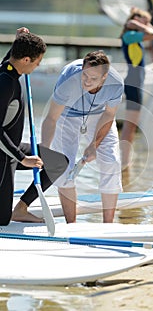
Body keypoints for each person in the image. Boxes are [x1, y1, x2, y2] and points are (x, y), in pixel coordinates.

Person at [41, 50, 124, 223]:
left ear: (104, 77)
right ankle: (71, 225)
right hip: (67, 115)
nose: (87, 81)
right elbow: (51, 118)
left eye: (93, 78)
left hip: (99, 115)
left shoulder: (116, 83)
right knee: (64, 167)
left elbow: (109, 115)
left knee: (112, 161)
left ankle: (107, 226)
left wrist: (94, 144)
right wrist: (45, 150)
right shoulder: (69, 78)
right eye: (84, 75)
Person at [0, 28, 69, 225]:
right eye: (38, 61)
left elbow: (9, 59)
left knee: (58, 162)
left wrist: (20, 40)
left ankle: (21, 209)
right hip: (3, 158)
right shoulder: (5, 84)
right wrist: (23, 158)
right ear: (26, 60)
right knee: (2, 220)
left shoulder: (8, 69)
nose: (38, 65)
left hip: (11, 150)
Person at [120, 7, 153, 169]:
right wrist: (138, 25)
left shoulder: (135, 37)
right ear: (134, 20)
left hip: (136, 83)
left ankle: (125, 160)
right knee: (130, 124)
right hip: (133, 83)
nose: (148, 24)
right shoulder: (129, 36)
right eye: (145, 21)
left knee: (132, 125)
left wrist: (140, 24)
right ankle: (124, 162)